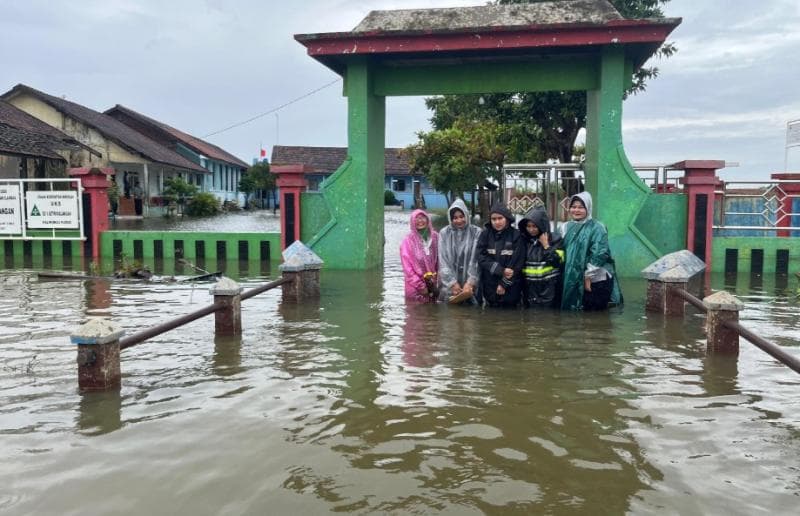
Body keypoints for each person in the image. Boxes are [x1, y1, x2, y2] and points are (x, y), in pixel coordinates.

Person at [560, 192, 623, 311]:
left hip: (596, 280)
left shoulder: (597, 227)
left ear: (588, 208)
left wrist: (588, 275)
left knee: (595, 316)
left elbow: (600, 252)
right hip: (573, 278)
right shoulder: (565, 227)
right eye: (573, 207)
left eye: (581, 207)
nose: (576, 210)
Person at [476, 202, 524, 308]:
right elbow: (480, 256)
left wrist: (503, 284)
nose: (497, 222)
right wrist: (499, 269)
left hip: (511, 288)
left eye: (500, 218)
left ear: (507, 218)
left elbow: (518, 263)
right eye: (494, 219)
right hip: (490, 288)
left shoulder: (516, 235)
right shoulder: (485, 235)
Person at [518, 207, 564, 308]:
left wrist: (546, 246)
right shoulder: (525, 241)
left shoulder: (555, 240)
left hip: (549, 288)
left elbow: (557, 262)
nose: (531, 230)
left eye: (534, 226)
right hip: (530, 288)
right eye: (528, 226)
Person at [437, 198, 481, 305]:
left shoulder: (476, 232)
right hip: (449, 287)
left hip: (470, 287)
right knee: (449, 317)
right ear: (450, 219)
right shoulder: (444, 233)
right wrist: (452, 283)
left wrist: (470, 282)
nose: (459, 220)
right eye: (455, 218)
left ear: (466, 215)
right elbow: (443, 260)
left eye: (461, 216)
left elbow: (476, 260)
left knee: (471, 318)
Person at [400, 209, 439, 303]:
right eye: (416, 219)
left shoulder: (435, 237)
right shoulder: (407, 242)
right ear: (412, 222)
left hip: (433, 285)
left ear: (428, 219)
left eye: (422, 218)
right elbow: (408, 269)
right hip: (415, 288)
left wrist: (437, 281)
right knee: (416, 315)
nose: (420, 221)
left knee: (433, 314)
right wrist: (420, 286)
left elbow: (440, 261)